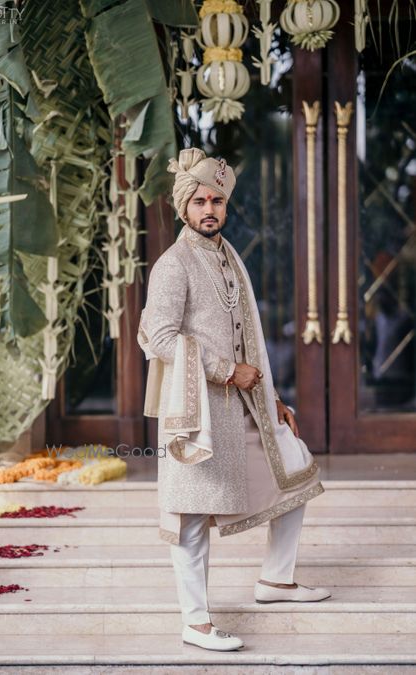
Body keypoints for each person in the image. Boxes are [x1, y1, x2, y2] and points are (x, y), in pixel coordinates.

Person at [137, 148, 331, 652]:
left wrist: (274, 397)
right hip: (197, 413)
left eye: (217, 201)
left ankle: (276, 580)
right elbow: (156, 336)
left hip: (247, 402)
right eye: (199, 200)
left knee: (297, 470)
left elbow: (249, 337)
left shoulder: (227, 253)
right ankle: (196, 622)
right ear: (184, 207)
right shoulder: (173, 264)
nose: (209, 209)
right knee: (192, 512)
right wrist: (225, 371)